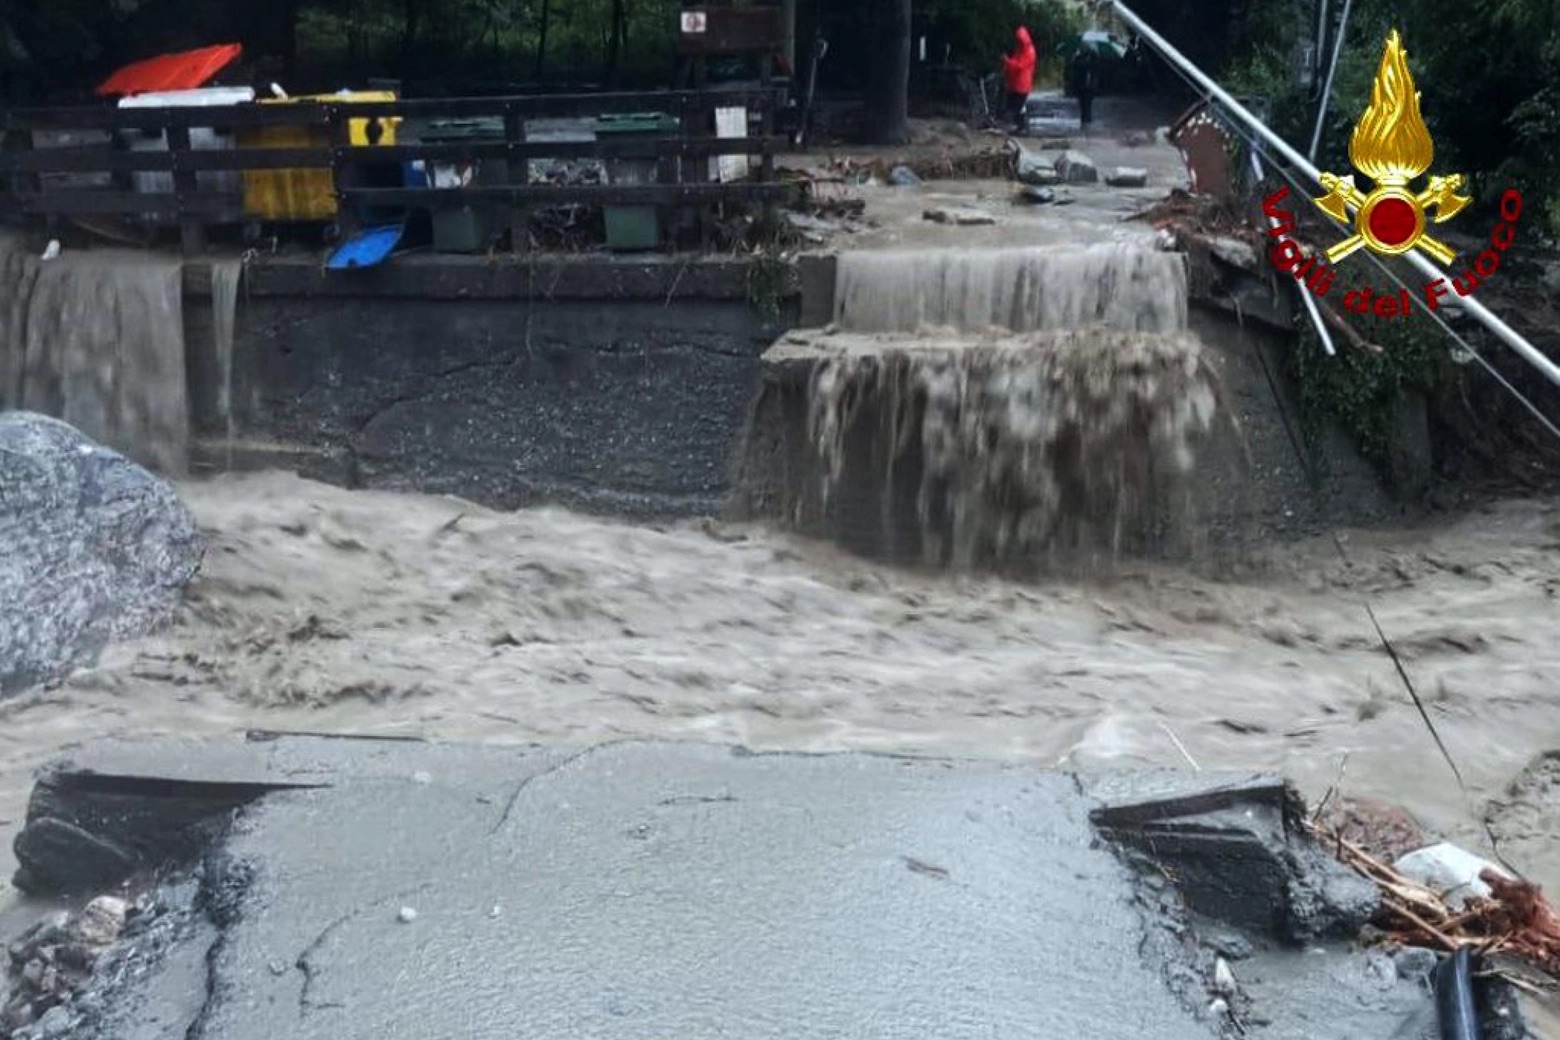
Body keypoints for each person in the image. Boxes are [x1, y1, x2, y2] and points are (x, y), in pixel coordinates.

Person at [1000, 26, 1036, 134]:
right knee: (1014, 105)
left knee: (1019, 106)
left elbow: (1020, 66)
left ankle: (1023, 126)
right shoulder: (1020, 50)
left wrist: (1007, 61)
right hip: (1015, 83)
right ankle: (1020, 126)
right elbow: (1015, 62)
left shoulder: (1029, 51)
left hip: (1022, 84)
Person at [1069, 48, 1098, 132]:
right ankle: (1085, 119)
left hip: (1088, 85)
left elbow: (1095, 69)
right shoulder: (1078, 58)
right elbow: (1073, 66)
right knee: (1083, 103)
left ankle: (1087, 119)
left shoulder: (1093, 57)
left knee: (1087, 103)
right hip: (1082, 85)